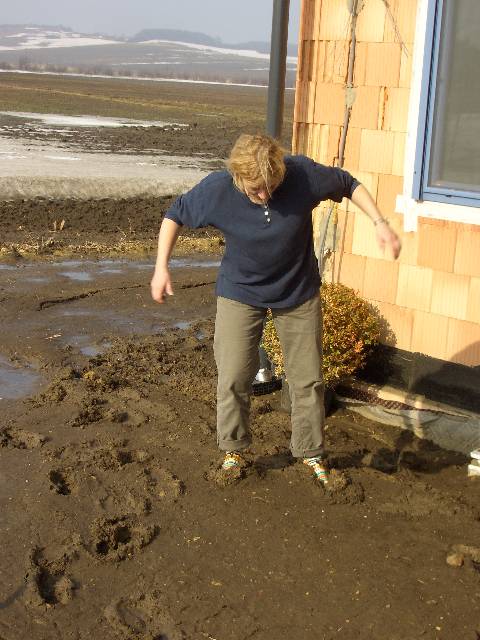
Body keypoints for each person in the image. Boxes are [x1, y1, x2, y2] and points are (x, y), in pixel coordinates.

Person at [151, 134, 401, 484]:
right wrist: (162, 267)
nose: (265, 195)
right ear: (238, 178)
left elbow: (347, 183)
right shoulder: (218, 189)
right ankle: (233, 449)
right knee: (235, 375)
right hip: (240, 291)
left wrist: (379, 222)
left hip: (297, 291)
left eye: (272, 185)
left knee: (307, 379)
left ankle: (311, 453)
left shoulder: (302, 174)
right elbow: (175, 214)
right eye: (256, 189)